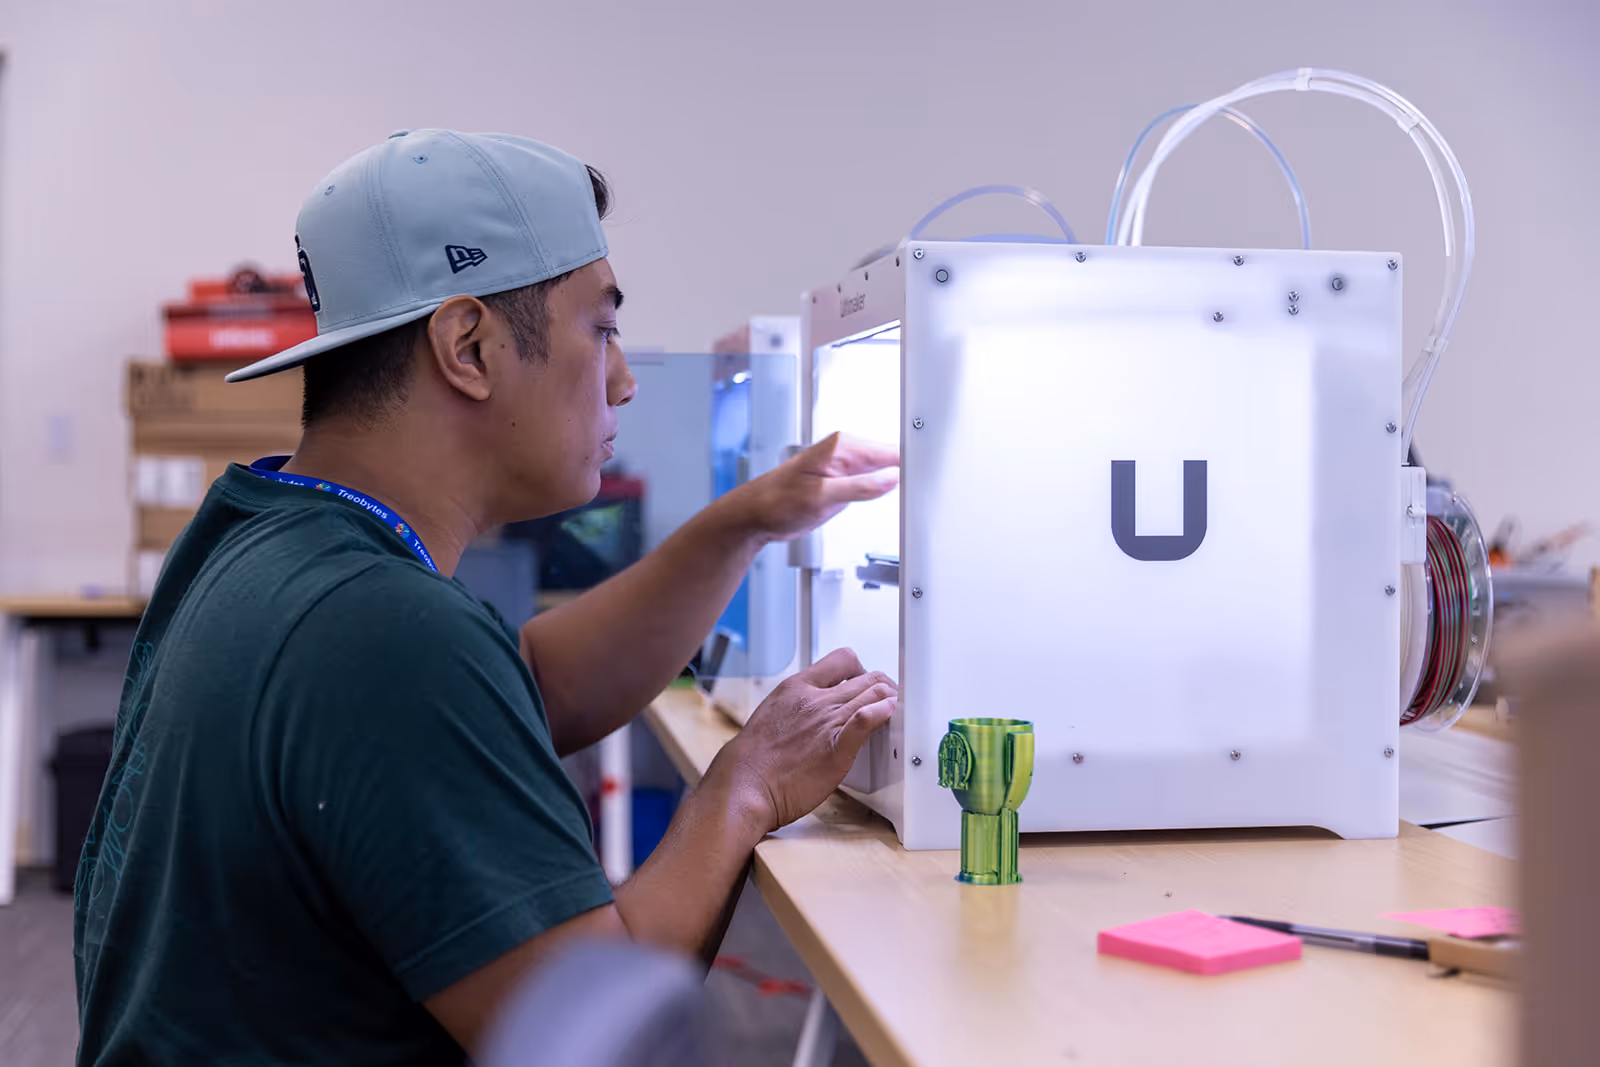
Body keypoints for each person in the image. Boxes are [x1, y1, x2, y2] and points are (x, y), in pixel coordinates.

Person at [73, 130, 899, 1065]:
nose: (625, 380)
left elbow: (527, 683)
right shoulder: (386, 631)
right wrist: (745, 786)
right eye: (602, 329)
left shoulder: (263, 535)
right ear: (467, 346)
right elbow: (582, 1039)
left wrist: (742, 522)